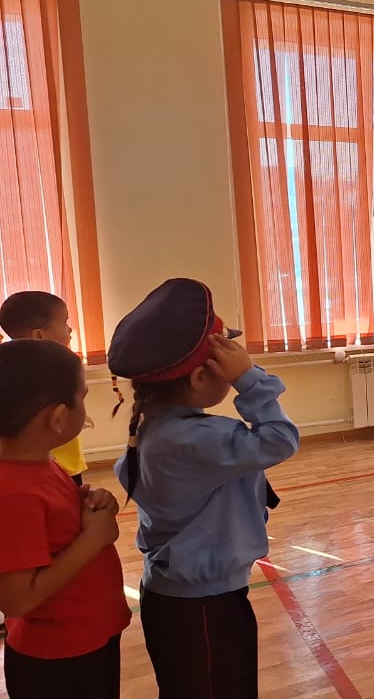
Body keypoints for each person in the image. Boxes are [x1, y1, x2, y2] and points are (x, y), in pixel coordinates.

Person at [108, 278, 299, 698]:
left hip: (180, 594)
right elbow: (280, 439)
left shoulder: (155, 428)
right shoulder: (197, 439)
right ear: (199, 378)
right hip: (203, 606)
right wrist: (250, 380)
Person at [0, 339, 131, 699]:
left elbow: (56, 525)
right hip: (58, 658)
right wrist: (94, 538)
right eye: (82, 396)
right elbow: (16, 600)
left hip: (85, 638)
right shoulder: (12, 491)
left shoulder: (41, 462)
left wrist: (90, 502)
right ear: (57, 418)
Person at [0, 291, 90, 486]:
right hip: (52, 464)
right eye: (65, 323)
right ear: (39, 335)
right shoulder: (34, 375)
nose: (70, 329)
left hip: (59, 464)